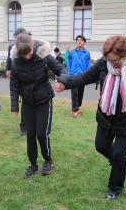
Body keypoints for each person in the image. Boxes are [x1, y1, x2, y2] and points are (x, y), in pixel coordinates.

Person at [55, 35, 126, 200]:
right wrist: (65, 82)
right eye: (109, 60)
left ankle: (115, 188)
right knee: (101, 146)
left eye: (115, 60)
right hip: (106, 115)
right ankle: (118, 164)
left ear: (125, 54)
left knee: (118, 154)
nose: (112, 63)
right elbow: (86, 76)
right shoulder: (105, 63)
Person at [10, 33, 69, 178]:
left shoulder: (44, 55)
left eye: (30, 52)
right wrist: (14, 106)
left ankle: (48, 161)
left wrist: (62, 80)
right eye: (25, 54)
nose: (28, 56)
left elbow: (62, 70)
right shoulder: (16, 61)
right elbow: (14, 84)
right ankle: (33, 165)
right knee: (30, 134)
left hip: (44, 100)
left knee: (42, 134)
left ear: (32, 46)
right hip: (28, 102)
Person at [6, 27, 28, 136]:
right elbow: (9, 59)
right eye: (14, 38)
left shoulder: (30, 46)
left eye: (16, 38)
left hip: (28, 79)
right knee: (22, 99)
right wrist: (8, 69)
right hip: (16, 76)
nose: (14, 40)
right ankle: (23, 126)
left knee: (26, 102)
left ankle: (26, 124)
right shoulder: (11, 46)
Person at [67, 35, 91, 118]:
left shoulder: (87, 53)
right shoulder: (72, 52)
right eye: (78, 40)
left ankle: (78, 106)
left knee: (80, 92)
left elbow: (88, 65)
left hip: (83, 76)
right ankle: (75, 109)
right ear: (76, 42)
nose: (79, 41)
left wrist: (87, 74)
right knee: (74, 93)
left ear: (84, 42)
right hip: (73, 75)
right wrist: (69, 72)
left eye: (81, 40)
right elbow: (68, 63)